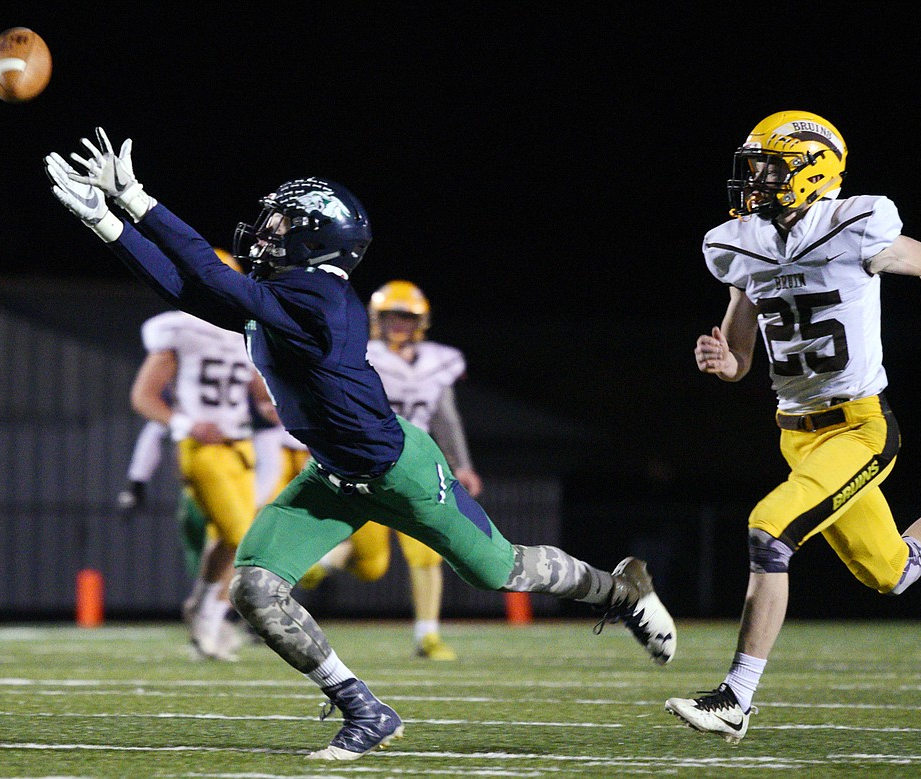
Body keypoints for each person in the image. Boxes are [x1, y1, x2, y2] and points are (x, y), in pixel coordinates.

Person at [44, 127, 676, 761]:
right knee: (255, 590)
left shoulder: (321, 297)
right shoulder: (285, 297)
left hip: (398, 469)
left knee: (499, 570)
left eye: (283, 224)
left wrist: (139, 201)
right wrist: (107, 223)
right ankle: (363, 708)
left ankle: (620, 590)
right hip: (331, 477)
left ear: (317, 237)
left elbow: (211, 274)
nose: (268, 233)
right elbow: (187, 292)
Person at [664, 110, 921, 744]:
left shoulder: (853, 224)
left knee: (769, 529)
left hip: (861, 429)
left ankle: (737, 699)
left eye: (767, 165)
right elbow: (740, 356)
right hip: (797, 433)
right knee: (893, 571)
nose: (753, 179)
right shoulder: (739, 243)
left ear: (810, 169)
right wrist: (724, 362)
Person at [297, 279, 481, 661]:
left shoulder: (438, 360)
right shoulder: (360, 353)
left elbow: (446, 419)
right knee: (372, 564)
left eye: (406, 317)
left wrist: (461, 464)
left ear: (421, 321)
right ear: (377, 319)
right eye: (392, 316)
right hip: (368, 464)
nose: (399, 324)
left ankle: (427, 636)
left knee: (429, 550)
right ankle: (325, 561)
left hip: (417, 464)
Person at [126, 260, 275, 662]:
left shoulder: (243, 332)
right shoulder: (181, 329)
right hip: (203, 450)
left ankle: (201, 609)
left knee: (235, 540)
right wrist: (188, 424)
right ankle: (209, 617)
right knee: (241, 535)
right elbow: (144, 396)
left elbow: (260, 391)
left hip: (241, 448)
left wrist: (275, 405)